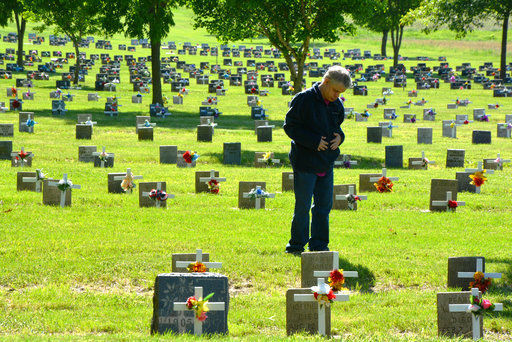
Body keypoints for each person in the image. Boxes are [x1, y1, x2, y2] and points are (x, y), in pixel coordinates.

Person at [283, 66, 352, 255]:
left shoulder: (337, 105)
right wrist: (313, 142)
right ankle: (296, 246)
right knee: (303, 206)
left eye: (341, 93)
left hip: (326, 162)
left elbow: (336, 128)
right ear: (326, 82)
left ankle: (320, 246)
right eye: (336, 90)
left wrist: (340, 138)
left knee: (323, 206)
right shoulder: (303, 99)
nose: (337, 96)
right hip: (305, 162)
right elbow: (290, 127)